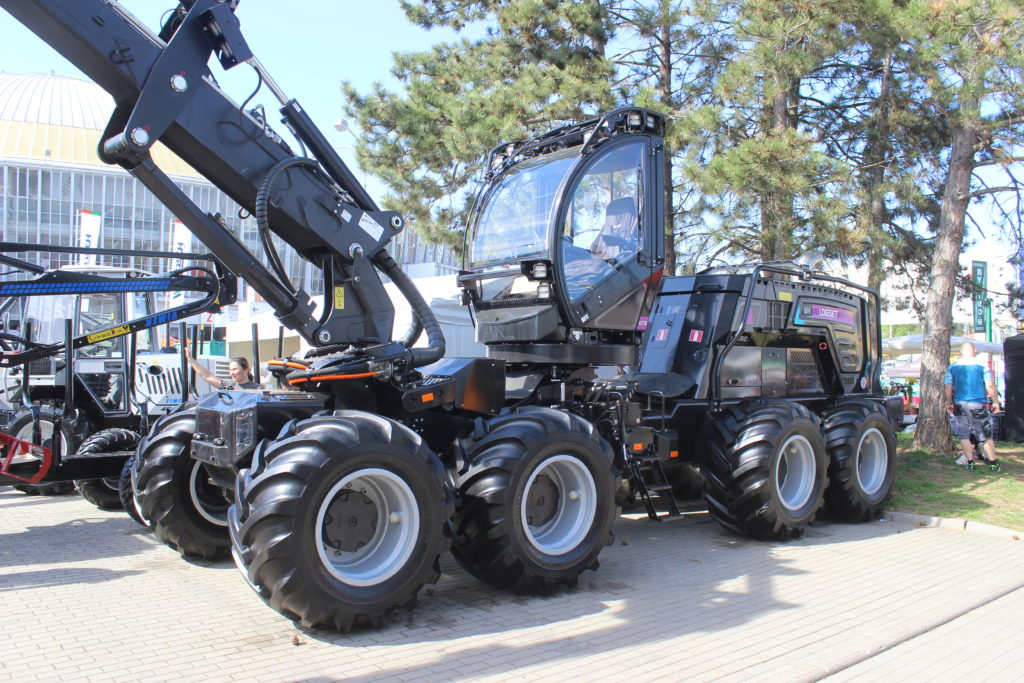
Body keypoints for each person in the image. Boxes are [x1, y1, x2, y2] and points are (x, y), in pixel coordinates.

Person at [944, 342, 1001, 472]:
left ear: (961, 352)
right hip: (977, 404)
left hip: (959, 403)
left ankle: (970, 462)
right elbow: (990, 385)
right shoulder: (981, 365)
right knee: (986, 435)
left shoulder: (953, 366)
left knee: (964, 435)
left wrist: (949, 402)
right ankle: (993, 463)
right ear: (974, 351)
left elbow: (947, 386)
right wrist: (995, 401)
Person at [184, 346, 260, 390]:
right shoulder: (230, 386)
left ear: (246, 370)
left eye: (234, 369)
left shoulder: (258, 388)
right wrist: (191, 360)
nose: (231, 373)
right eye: (230, 370)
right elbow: (207, 376)